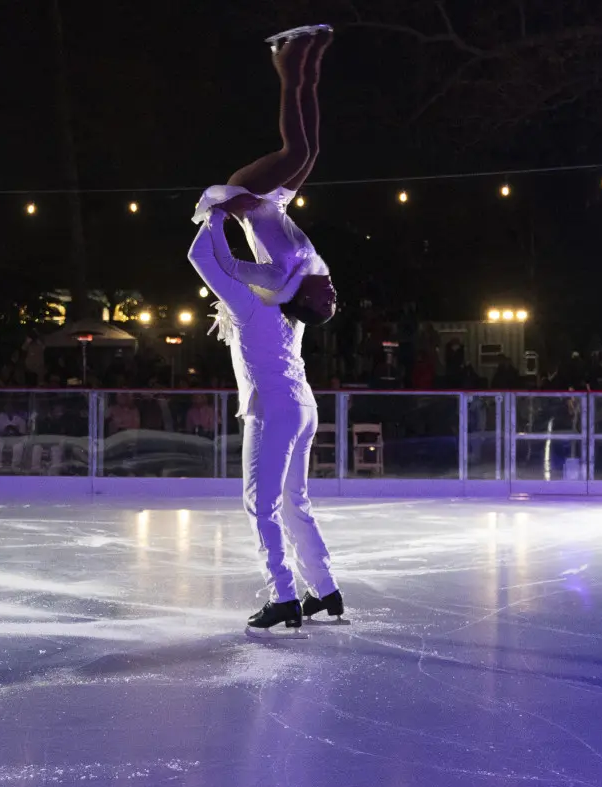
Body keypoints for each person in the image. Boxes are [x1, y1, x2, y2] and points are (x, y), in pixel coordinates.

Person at [186, 24, 343, 632]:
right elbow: (217, 268)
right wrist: (222, 221)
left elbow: (209, 261)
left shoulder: (266, 299)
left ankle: (284, 595)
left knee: (262, 502)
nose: (330, 289)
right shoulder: (274, 307)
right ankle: (322, 588)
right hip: (301, 405)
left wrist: (217, 214)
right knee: (293, 502)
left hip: (278, 408)